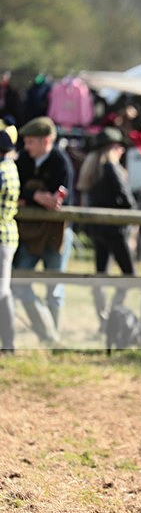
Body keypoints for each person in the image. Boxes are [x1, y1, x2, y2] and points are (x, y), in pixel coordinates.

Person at [14, 116, 74, 345]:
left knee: (54, 288)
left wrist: (32, 199)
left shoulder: (61, 163)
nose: (26, 147)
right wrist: (36, 196)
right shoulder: (24, 161)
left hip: (56, 235)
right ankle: (46, 331)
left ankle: (53, 337)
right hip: (30, 234)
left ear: (45, 141)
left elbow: (62, 199)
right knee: (20, 279)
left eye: (30, 142)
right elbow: (19, 189)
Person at [77, 127, 137, 329]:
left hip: (98, 230)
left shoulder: (92, 169)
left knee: (100, 274)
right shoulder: (111, 169)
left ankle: (102, 318)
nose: (122, 150)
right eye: (119, 146)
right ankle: (111, 314)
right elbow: (128, 202)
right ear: (112, 148)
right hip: (116, 231)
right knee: (130, 275)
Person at [0, 127, 20, 352]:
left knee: (2, 291)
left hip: (2, 236)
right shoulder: (10, 167)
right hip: (7, 233)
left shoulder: (1, 172)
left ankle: (8, 344)